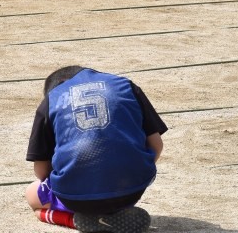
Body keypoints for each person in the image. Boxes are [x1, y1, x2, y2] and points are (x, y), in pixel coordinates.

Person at [25, 65, 167, 233]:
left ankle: (74, 220)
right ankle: (110, 213)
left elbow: (41, 171)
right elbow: (156, 145)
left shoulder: (51, 100)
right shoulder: (126, 85)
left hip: (76, 199)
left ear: (56, 87)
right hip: (130, 191)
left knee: (32, 194)